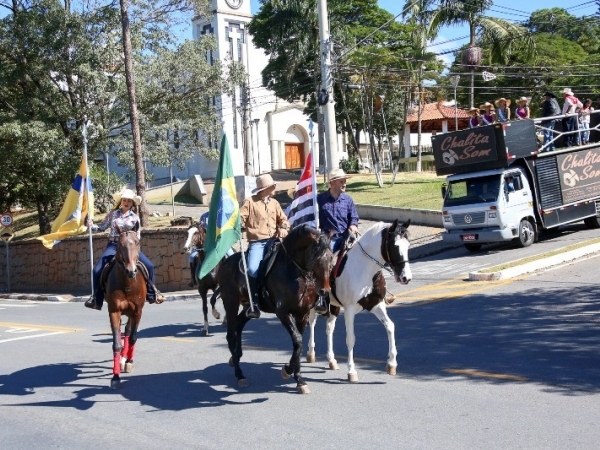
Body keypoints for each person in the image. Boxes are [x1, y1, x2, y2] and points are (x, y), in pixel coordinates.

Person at [84, 189, 164, 310]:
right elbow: (101, 227)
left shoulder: (135, 218)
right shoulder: (113, 214)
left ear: (132, 203)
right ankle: (96, 299)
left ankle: (152, 294)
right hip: (113, 246)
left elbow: (138, 236)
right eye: (124, 200)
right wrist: (91, 225)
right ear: (121, 201)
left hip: (130, 247)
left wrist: (131, 245)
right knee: (96, 270)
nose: (126, 202)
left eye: (129, 201)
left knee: (150, 266)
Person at [239, 173, 290, 319]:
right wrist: (238, 224)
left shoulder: (275, 203)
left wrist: (284, 228)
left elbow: (284, 220)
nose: (275, 188)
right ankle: (253, 301)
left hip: (275, 241)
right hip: (258, 243)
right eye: (272, 186)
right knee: (253, 269)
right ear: (264, 189)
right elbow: (240, 219)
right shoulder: (249, 202)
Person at [317, 168, 359, 254]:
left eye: (345, 182)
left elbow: (354, 217)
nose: (344, 184)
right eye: (341, 182)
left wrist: (353, 225)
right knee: (327, 263)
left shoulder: (348, 200)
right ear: (332, 183)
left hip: (346, 238)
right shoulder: (320, 199)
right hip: (328, 240)